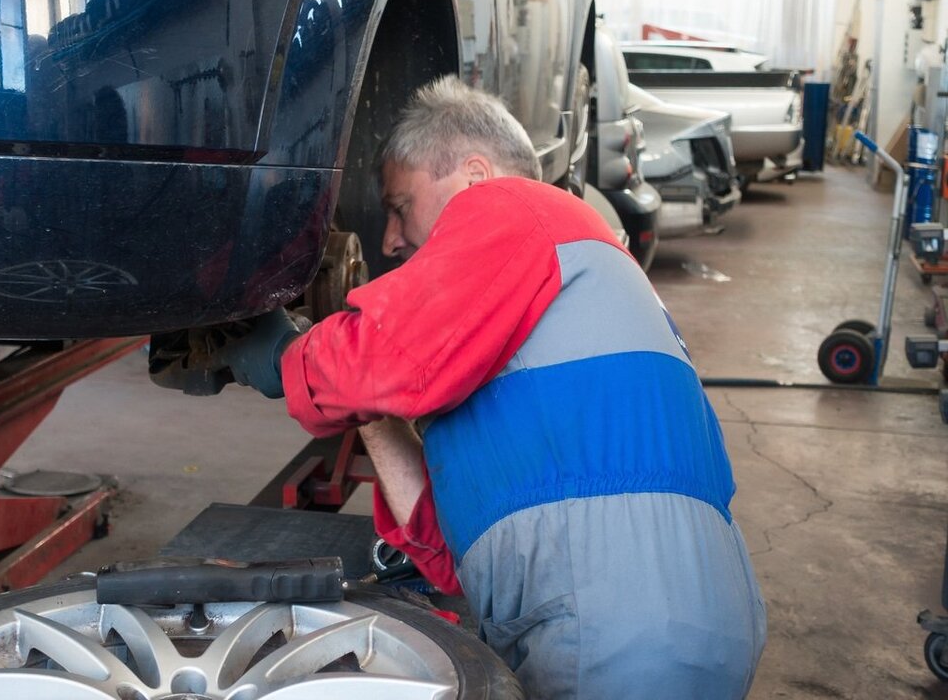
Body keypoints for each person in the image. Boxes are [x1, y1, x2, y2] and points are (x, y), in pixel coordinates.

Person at [216, 75, 767, 699]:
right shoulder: (559, 298)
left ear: (474, 177)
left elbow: (384, 358)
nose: (392, 240)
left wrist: (289, 355)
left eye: (400, 206)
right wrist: (367, 409)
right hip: (665, 624)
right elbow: (452, 553)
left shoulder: (521, 207)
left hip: (620, 628)